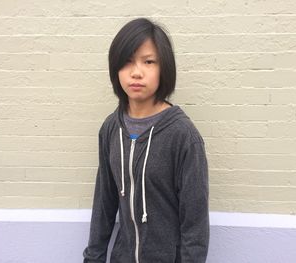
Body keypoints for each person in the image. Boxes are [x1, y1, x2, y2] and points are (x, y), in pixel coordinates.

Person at [83, 17, 209, 263]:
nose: (136, 72)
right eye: (127, 62)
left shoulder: (183, 136)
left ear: (164, 69)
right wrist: (93, 257)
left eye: (148, 62)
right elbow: (104, 203)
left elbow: (195, 224)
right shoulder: (111, 128)